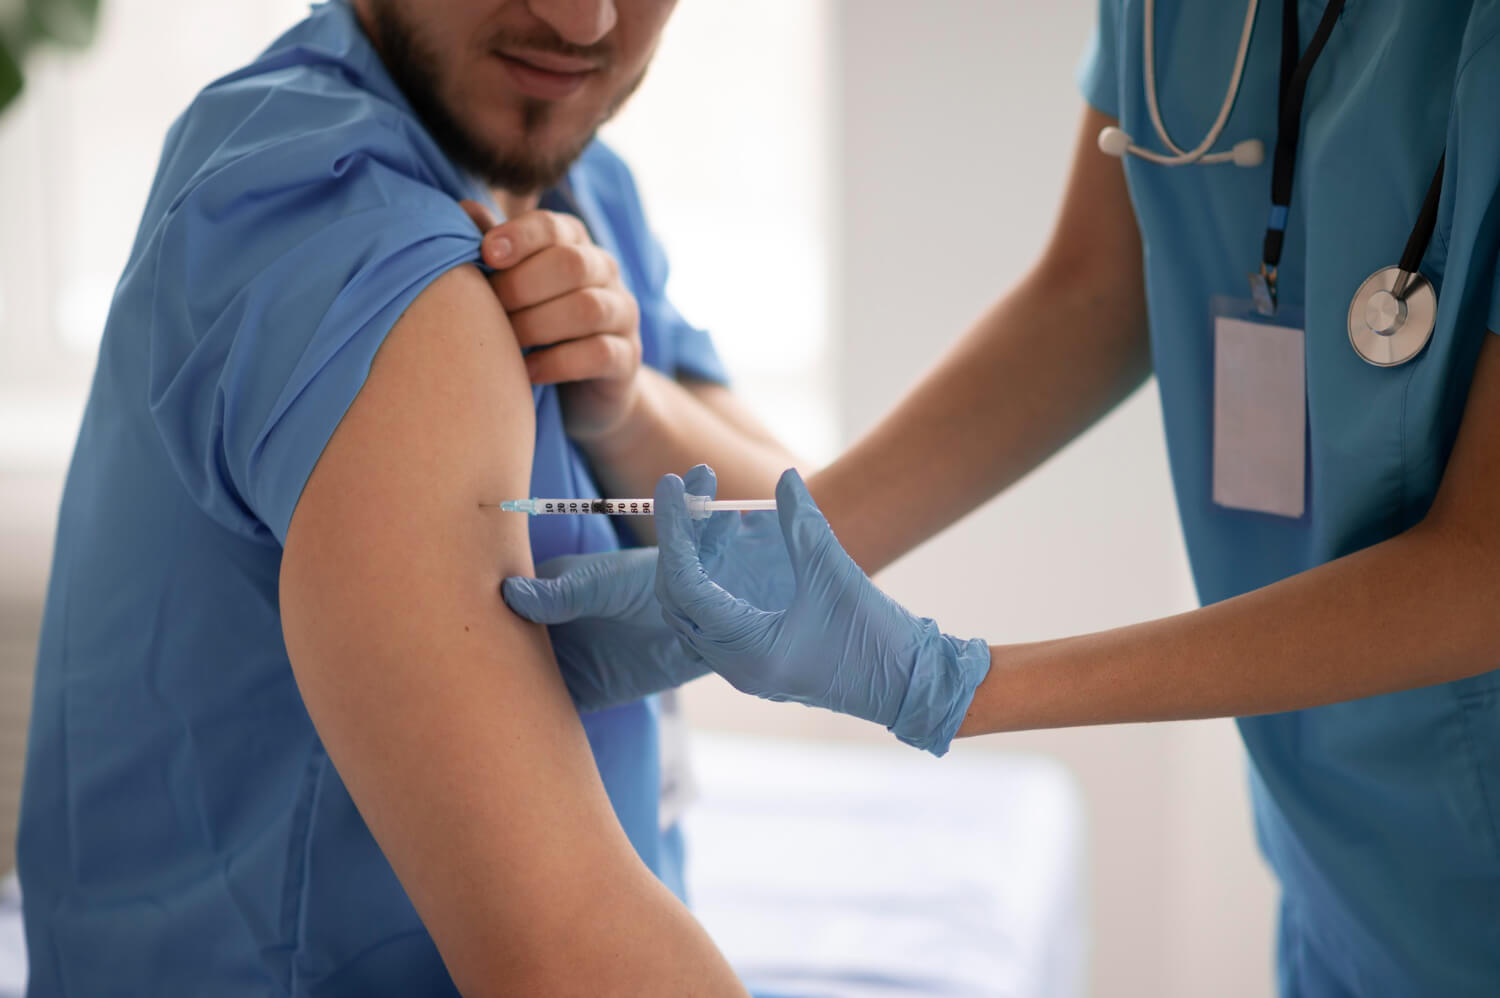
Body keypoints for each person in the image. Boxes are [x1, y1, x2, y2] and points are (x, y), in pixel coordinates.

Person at [502, 1, 1500, 994]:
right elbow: (1093, 291)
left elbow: (1483, 565)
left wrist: (955, 682)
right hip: (1335, 854)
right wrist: (784, 556)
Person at [16, 0, 797, 994]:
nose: (583, 17)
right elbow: (562, 956)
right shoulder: (335, 227)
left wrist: (622, 403)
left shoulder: (573, 180)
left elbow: (802, 547)